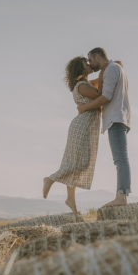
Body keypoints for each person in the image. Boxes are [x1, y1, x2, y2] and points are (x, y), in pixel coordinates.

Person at [42, 56, 103, 214]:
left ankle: (71, 201)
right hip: (82, 126)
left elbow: (100, 81)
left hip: (85, 126)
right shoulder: (82, 85)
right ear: (81, 69)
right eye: (86, 64)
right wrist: (106, 68)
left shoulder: (85, 83)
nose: (89, 65)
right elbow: (100, 94)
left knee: (78, 162)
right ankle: (50, 179)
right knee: (78, 164)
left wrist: (105, 68)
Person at [75, 47, 131, 208]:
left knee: (120, 158)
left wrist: (84, 108)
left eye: (90, 60)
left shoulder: (111, 69)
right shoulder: (112, 68)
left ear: (97, 57)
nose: (90, 64)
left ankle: (121, 196)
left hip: (116, 118)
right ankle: (121, 195)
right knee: (120, 158)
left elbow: (105, 96)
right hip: (118, 117)